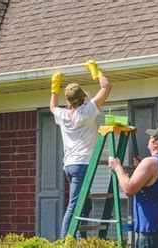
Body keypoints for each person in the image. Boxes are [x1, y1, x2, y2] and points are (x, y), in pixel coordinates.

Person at [50, 60, 112, 239]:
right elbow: (106, 87)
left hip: (69, 166)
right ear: (82, 97)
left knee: (85, 205)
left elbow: (53, 107)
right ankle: (65, 241)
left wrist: (55, 87)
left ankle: (80, 240)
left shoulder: (63, 114)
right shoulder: (87, 111)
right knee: (75, 204)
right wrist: (96, 72)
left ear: (68, 100)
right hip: (83, 165)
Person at [108, 126, 158, 248]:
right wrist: (142, 167)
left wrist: (117, 168)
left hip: (152, 231)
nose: (149, 139)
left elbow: (129, 189)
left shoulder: (151, 163)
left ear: (156, 143)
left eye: (151, 137)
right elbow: (157, 183)